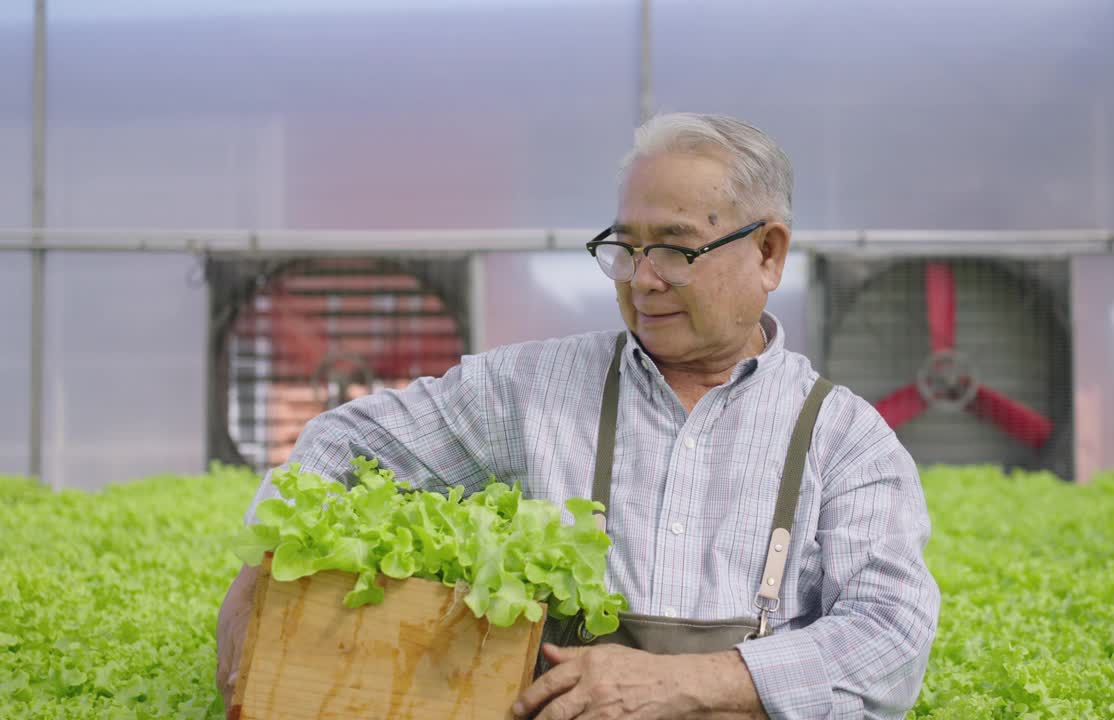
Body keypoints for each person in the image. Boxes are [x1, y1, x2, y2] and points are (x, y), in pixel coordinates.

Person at [216, 112, 940, 719]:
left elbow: (890, 636)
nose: (643, 279)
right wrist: (266, 570)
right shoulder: (529, 387)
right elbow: (349, 443)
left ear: (769, 252)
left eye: (676, 250)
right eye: (626, 248)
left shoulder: (843, 440)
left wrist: (689, 683)